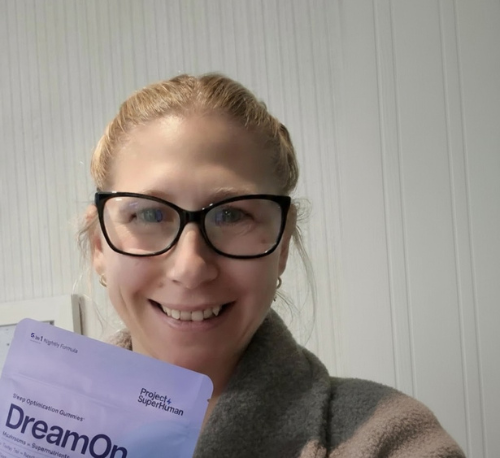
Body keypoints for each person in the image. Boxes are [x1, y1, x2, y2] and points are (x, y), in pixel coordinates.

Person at [80, 74, 465, 457]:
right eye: (148, 215)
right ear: (99, 245)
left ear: (282, 245)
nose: (190, 268)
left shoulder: (389, 439)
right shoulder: (48, 422)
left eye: (231, 215)